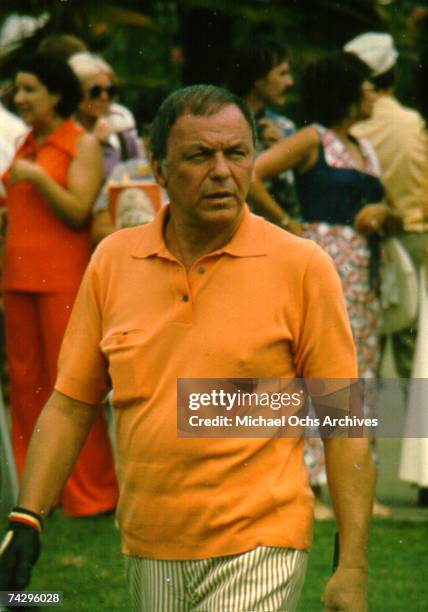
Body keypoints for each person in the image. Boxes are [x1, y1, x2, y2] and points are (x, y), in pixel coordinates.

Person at [0, 85, 374, 612]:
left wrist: (351, 567)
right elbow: (71, 403)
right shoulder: (112, 261)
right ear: (157, 166)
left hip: (262, 541)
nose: (222, 171)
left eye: (237, 153)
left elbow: (345, 424)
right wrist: (28, 517)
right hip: (148, 545)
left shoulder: (302, 266)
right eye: (200, 156)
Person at [250, 52, 402, 517]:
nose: (373, 94)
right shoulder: (311, 139)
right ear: (346, 92)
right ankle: (314, 484)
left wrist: (384, 214)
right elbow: (254, 173)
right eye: (365, 86)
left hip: (364, 275)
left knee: (362, 375)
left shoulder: (365, 148)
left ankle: (358, 485)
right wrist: (286, 222)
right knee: (321, 372)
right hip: (324, 267)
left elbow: (393, 208)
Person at [0, 53, 118, 517]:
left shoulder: (80, 143)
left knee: (71, 387)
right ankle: (39, 498)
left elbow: (77, 210)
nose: (20, 98)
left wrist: (33, 179)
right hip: (18, 279)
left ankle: (91, 495)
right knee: (27, 389)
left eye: (30, 89)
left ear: (56, 93)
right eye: (18, 90)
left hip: (62, 280)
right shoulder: (26, 143)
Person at [227, 38, 301, 228]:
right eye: (282, 73)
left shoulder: (283, 127)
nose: (290, 82)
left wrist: (282, 152)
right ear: (258, 79)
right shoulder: (221, 122)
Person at [68, 52, 139, 179]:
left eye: (110, 91)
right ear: (75, 92)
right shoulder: (61, 135)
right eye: (95, 91)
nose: (104, 97)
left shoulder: (123, 137)